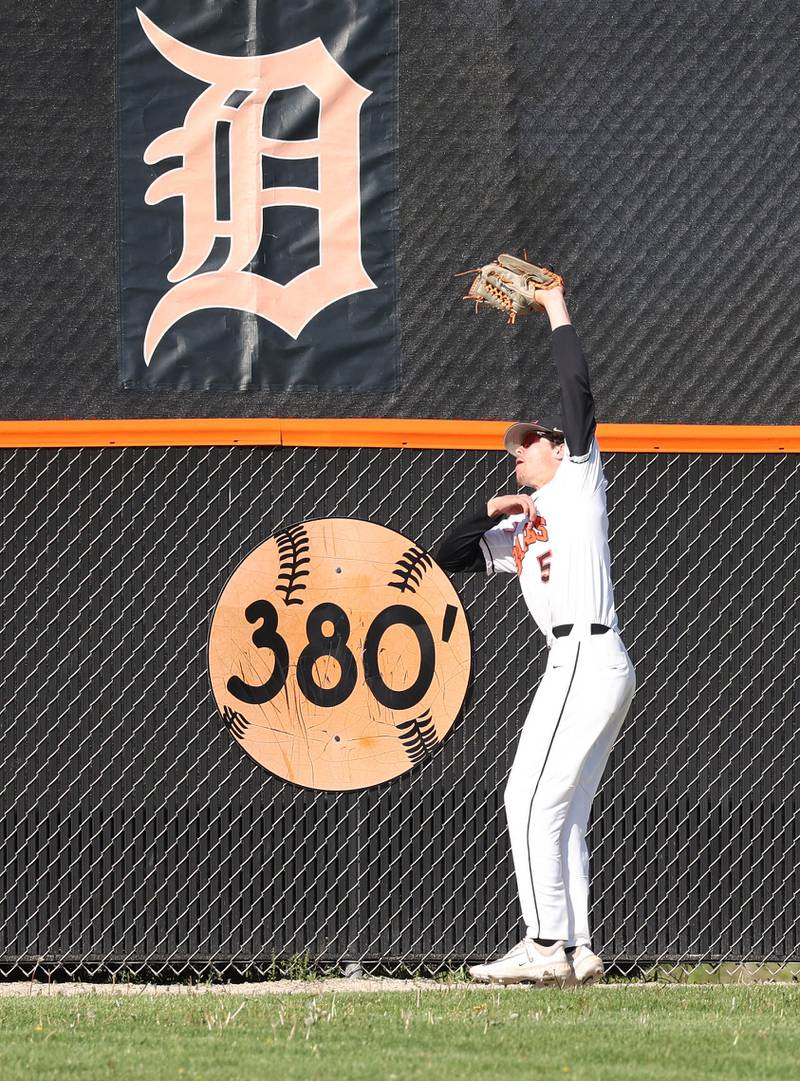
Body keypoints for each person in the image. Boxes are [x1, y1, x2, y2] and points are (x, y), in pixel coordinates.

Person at [434, 279, 636, 986]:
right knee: (567, 809)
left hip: (586, 655)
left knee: (526, 797)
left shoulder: (578, 480)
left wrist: (555, 308)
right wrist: (490, 506)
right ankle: (578, 951)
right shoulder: (522, 522)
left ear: (561, 450)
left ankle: (543, 944)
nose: (520, 451)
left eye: (531, 443)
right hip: (588, 661)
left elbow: (578, 392)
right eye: (516, 447)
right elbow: (447, 558)